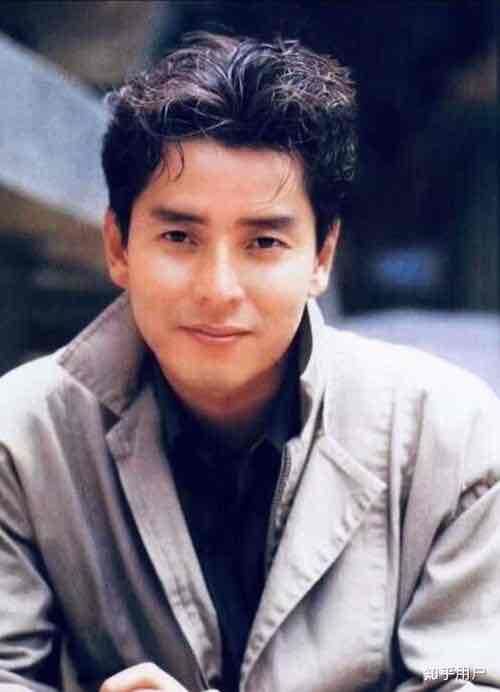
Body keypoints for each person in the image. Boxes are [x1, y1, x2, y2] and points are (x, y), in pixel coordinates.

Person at [0, 31, 499, 692]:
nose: (218, 288)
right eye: (179, 236)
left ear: (321, 257)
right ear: (118, 247)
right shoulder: (20, 438)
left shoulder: (450, 438)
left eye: (263, 242)